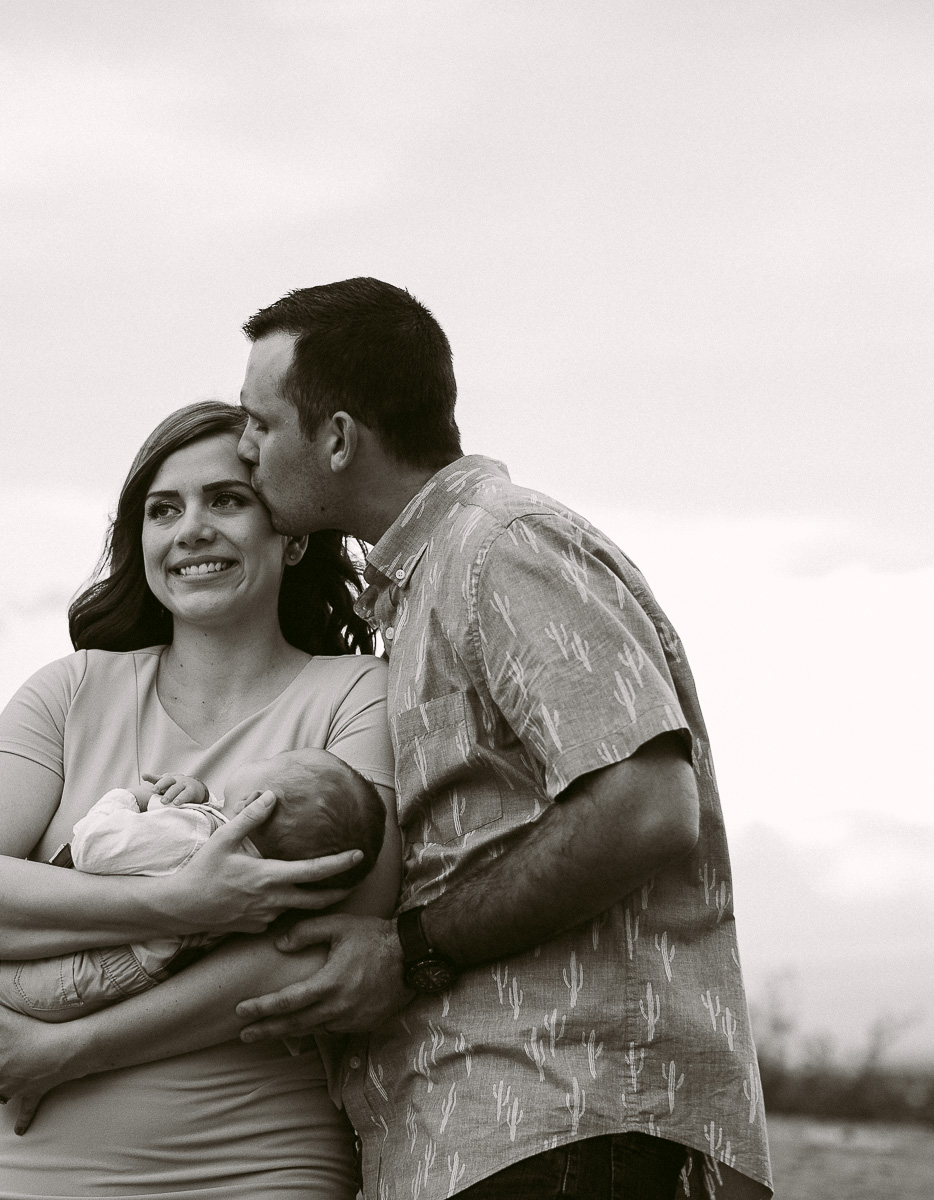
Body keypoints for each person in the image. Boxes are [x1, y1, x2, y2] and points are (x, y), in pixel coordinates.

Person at [227, 278, 774, 1199]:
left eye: (258, 422)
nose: (243, 449)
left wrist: (410, 950)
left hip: (573, 1128)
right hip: (496, 1138)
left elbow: (643, 808)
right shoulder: (428, 585)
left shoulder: (503, 548)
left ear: (336, 437)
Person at [0, 400, 401, 1200]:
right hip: (35, 1166)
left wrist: (70, 1050)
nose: (191, 529)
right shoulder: (69, 693)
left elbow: (326, 945)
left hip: (259, 1163)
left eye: (227, 500)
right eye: (163, 509)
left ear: (294, 534)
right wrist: (182, 900)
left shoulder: (357, 696)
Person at [0, 748, 384, 1052]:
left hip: (71, 973)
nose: (264, 753)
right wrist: (198, 798)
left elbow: (94, 846)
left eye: (277, 757)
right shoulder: (267, 891)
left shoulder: (191, 833)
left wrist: (131, 798)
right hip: (123, 985)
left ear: (255, 801)